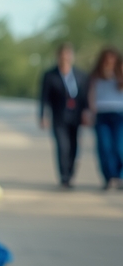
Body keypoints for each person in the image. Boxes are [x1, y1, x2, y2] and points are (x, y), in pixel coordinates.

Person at [40, 43, 86, 189]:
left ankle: (70, 173)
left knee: (73, 146)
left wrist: (87, 112)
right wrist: (42, 115)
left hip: (75, 116)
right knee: (62, 146)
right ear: (58, 56)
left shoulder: (80, 75)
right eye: (62, 54)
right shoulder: (50, 75)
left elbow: (85, 96)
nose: (65, 57)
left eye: (68, 54)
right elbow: (44, 97)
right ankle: (64, 177)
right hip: (59, 116)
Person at [87, 47, 123, 190]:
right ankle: (109, 177)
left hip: (120, 114)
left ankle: (120, 177)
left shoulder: (120, 73)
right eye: (107, 59)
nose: (110, 62)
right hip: (102, 114)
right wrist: (90, 112)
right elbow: (91, 95)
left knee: (120, 147)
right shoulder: (95, 76)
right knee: (104, 147)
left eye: (112, 59)